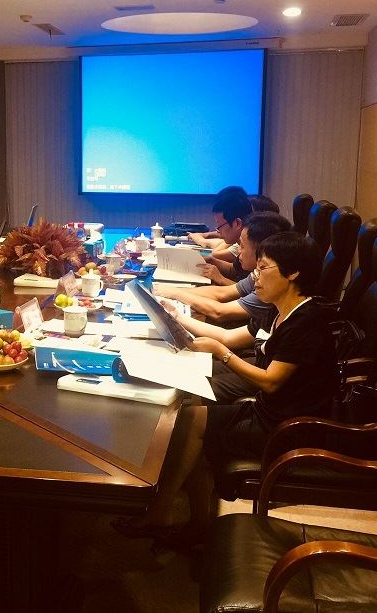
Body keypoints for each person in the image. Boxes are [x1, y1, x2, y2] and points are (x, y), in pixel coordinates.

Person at [113, 232, 337, 546]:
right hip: (267, 411)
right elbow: (229, 338)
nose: (255, 277)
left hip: (288, 429)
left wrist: (222, 354)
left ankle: (168, 513)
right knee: (191, 416)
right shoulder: (279, 310)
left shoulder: (306, 322)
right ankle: (186, 518)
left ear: (293, 273)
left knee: (192, 422)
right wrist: (176, 318)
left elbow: (270, 380)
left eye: (263, 268)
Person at [155, 213, 292, 326]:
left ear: (262, 249)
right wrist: (170, 291)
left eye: (242, 246)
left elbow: (220, 312)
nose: (239, 252)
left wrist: (175, 294)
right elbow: (221, 293)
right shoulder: (257, 274)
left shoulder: (270, 285)